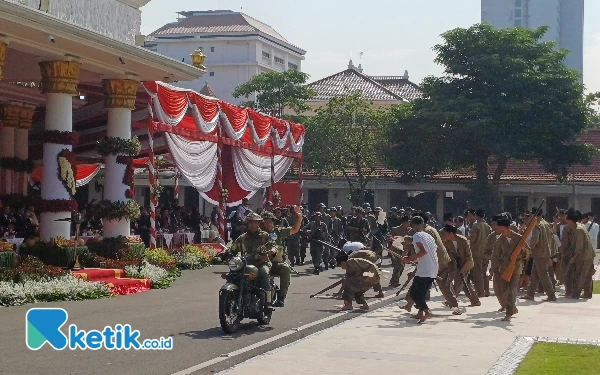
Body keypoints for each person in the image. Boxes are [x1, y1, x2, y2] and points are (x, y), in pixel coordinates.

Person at [260, 206, 303, 307]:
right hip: (260, 262)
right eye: (265, 222)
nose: (267, 224)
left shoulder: (278, 232)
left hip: (276, 262)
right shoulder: (257, 233)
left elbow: (294, 229)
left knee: (285, 268)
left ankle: (281, 297)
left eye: (270, 221)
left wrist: (299, 217)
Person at [229, 212, 274, 305]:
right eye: (250, 222)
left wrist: (268, 254)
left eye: (255, 222)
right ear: (247, 223)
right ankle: (229, 298)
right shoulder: (242, 237)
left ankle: (268, 302)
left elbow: (273, 246)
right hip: (245, 264)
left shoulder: (265, 236)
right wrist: (223, 254)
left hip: (261, 263)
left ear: (258, 224)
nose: (253, 225)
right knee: (232, 273)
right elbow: (232, 249)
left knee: (264, 273)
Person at [401, 216, 439, 324]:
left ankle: (427, 312)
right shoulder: (428, 236)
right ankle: (420, 313)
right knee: (421, 293)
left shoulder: (417, 236)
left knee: (415, 294)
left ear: (413, 225)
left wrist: (409, 258)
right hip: (433, 267)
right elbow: (432, 250)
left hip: (425, 269)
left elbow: (423, 252)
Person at [491, 213, 525, 322]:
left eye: (503, 230)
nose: (501, 232)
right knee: (504, 290)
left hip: (516, 268)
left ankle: (508, 314)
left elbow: (528, 253)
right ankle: (512, 307)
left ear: (508, 228)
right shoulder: (500, 240)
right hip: (504, 268)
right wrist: (494, 268)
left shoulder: (519, 238)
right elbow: (495, 255)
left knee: (511, 289)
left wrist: (524, 249)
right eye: (500, 230)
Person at [520, 209, 557, 302]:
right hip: (545, 252)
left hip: (540, 253)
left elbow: (535, 239)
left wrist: (529, 248)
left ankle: (551, 295)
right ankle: (530, 294)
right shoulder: (546, 224)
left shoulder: (536, 225)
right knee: (534, 274)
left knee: (543, 274)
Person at [442, 225, 480, 307]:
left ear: (451, 233)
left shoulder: (463, 240)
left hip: (467, 263)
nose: (444, 236)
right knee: (465, 283)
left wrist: (463, 269)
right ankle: (475, 301)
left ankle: (451, 300)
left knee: (459, 280)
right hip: (456, 264)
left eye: (446, 234)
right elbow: (447, 256)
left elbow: (469, 257)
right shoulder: (447, 243)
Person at [566, 209, 595, 299]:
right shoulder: (581, 226)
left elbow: (579, 246)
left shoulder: (578, 230)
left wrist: (574, 258)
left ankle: (576, 294)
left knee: (580, 275)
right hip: (589, 254)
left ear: (570, 221)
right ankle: (587, 293)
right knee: (587, 275)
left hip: (584, 255)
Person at [466, 209, 492, 297]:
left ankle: (480, 291)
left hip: (477, 252)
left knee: (478, 273)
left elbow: (472, 238)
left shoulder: (476, 226)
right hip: (486, 252)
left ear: (476, 216)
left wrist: (465, 238)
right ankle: (487, 290)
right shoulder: (488, 226)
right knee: (484, 272)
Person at [387, 215, 412, 287]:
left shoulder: (410, 230)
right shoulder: (396, 229)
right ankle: (395, 281)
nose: (409, 223)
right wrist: (393, 239)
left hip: (404, 250)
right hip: (395, 249)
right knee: (398, 265)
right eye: (407, 222)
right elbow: (388, 237)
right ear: (403, 223)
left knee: (402, 266)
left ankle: (393, 280)